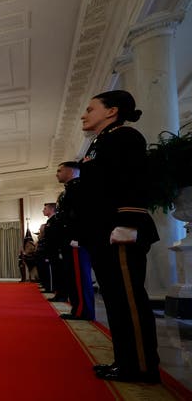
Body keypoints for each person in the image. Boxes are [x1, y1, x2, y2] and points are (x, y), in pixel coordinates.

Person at [78, 90, 160, 383]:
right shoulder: (101, 143)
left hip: (119, 231)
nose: (84, 114)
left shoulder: (125, 137)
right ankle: (125, 361)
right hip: (103, 233)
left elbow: (134, 180)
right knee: (115, 302)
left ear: (111, 111)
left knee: (129, 302)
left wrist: (128, 221)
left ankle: (141, 367)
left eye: (91, 109)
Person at [55, 161, 94, 320]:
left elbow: (82, 214)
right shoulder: (70, 189)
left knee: (79, 277)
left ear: (71, 171)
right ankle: (78, 309)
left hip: (76, 241)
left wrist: (77, 237)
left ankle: (83, 311)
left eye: (60, 170)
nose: (57, 173)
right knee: (73, 277)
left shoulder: (78, 188)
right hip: (70, 241)